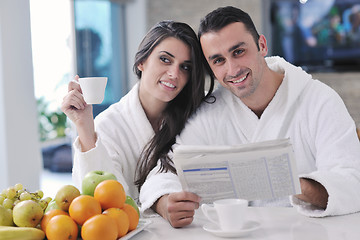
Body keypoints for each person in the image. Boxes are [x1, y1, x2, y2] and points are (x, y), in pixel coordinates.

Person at [139, 6, 360, 228]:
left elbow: (353, 182)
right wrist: (165, 202)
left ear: (261, 45)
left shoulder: (319, 100)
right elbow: (164, 171)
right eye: (218, 60)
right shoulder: (211, 111)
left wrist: (293, 183)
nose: (232, 69)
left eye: (238, 52)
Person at [61, 20, 214, 204]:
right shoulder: (109, 125)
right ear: (142, 61)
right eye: (165, 59)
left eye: (185, 67)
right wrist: (84, 126)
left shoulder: (201, 112)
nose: (174, 73)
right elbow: (102, 200)